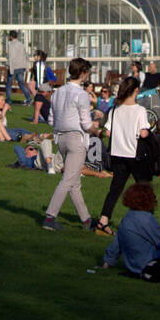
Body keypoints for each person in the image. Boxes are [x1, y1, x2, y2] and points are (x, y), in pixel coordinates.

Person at [42, 58, 102, 231]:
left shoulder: (58, 92)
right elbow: (85, 123)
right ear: (83, 73)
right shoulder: (82, 94)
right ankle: (50, 217)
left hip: (60, 138)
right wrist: (96, 130)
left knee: (74, 182)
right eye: (87, 73)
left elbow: (51, 119)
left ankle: (86, 220)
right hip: (76, 138)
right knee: (68, 180)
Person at [92, 76, 153, 236]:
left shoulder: (115, 109)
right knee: (144, 188)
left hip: (117, 154)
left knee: (115, 189)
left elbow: (108, 131)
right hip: (134, 154)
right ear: (137, 91)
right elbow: (144, 133)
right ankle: (147, 223)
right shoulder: (140, 111)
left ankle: (103, 221)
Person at [101, 184, 160, 275]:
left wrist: (105, 265)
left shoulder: (126, 218)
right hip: (150, 265)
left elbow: (115, 246)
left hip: (132, 266)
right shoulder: (147, 219)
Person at [4, 30, 30, 105]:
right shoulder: (21, 44)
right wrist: (25, 66)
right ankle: (28, 98)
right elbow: (26, 55)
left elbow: (10, 56)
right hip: (20, 67)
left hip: (13, 67)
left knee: (9, 85)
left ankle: (8, 100)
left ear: (11, 36)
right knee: (21, 84)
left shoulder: (11, 44)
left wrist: (8, 65)